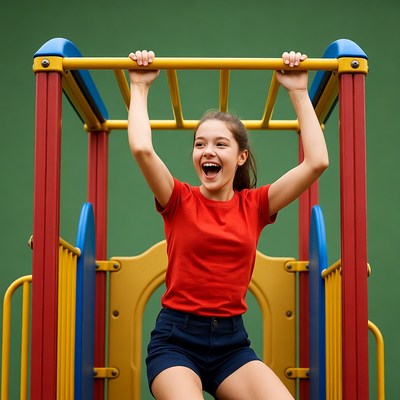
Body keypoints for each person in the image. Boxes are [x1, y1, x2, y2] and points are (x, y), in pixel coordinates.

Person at [127, 50, 329, 400]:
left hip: (231, 345)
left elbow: (317, 162)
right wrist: (140, 86)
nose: (208, 151)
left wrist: (298, 91)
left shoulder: (256, 205)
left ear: (240, 157)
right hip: (176, 341)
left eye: (221, 144)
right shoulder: (178, 199)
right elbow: (143, 149)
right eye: (200, 144)